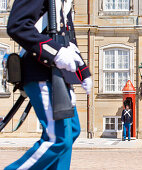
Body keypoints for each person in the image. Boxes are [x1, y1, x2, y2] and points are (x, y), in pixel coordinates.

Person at [5, 0, 92, 169]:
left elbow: (68, 39)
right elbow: (18, 26)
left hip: (59, 75)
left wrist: (83, 71)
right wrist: (55, 53)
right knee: (57, 139)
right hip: (40, 71)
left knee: (72, 131)